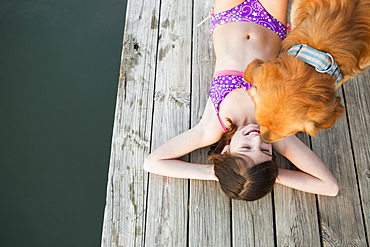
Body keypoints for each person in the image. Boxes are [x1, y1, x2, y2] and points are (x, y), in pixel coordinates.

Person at [144, 0, 339, 201]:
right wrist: (273, 176)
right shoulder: (275, 131)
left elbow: (153, 163)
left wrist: (213, 173)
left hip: (228, 15)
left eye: (245, 148)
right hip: (269, 20)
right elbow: (329, 186)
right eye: (265, 151)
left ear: (226, 150)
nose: (256, 139)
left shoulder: (212, 127)